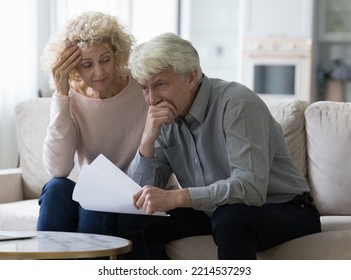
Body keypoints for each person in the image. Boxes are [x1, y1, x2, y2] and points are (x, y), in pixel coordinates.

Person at [120, 33, 321, 259]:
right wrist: (147, 138)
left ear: (191, 76)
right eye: (144, 88)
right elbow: (138, 197)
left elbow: (250, 189)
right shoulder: (163, 118)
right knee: (130, 220)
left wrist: (177, 197)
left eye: (160, 84)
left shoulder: (236, 104)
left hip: (286, 209)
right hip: (211, 211)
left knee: (230, 217)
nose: (151, 99)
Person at [37, 11, 148, 235]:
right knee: (55, 189)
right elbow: (59, 169)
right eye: (87, 64)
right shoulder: (71, 98)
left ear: (118, 55)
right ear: (73, 68)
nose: (99, 72)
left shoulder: (143, 88)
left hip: (134, 191)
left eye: (105, 60)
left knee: (95, 200)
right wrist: (61, 94)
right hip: (92, 192)